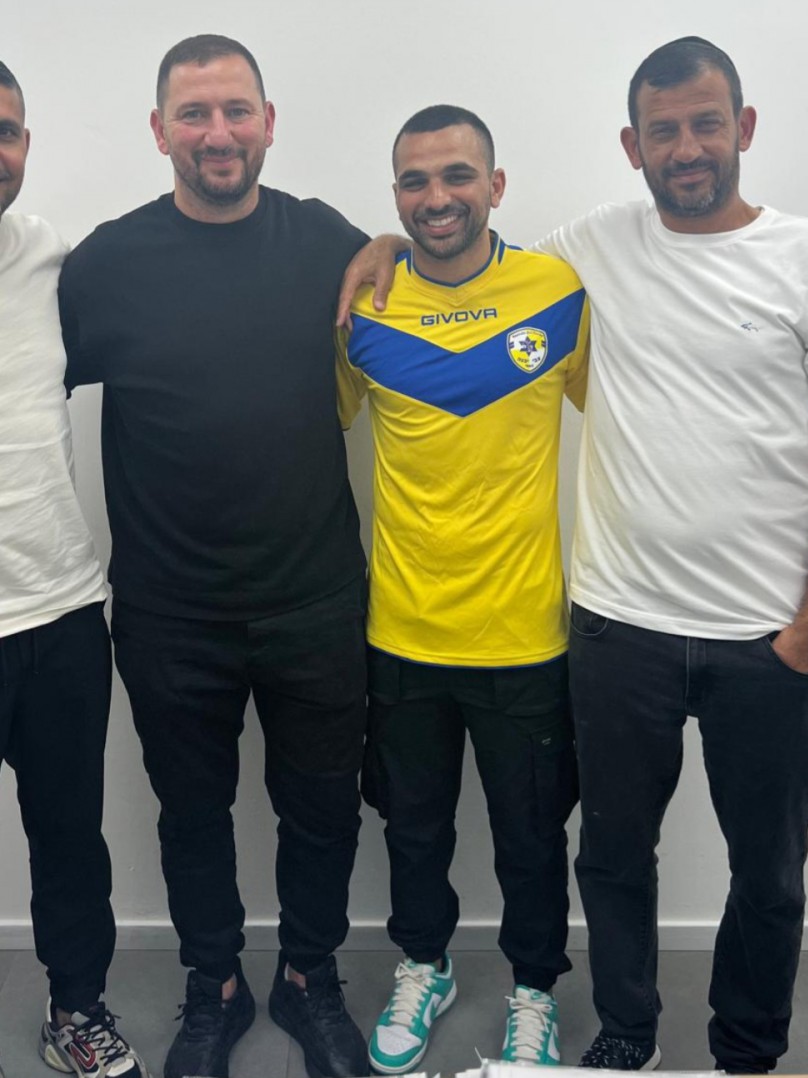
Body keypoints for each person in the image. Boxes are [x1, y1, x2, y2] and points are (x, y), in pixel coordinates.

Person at [337, 36, 808, 1076]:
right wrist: (381, 243)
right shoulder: (558, 261)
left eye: (706, 123)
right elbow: (444, 250)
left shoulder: (795, 259)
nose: (687, 147)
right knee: (586, 852)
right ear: (632, 146)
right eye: (663, 130)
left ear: (743, 128)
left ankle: (717, 1043)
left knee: (760, 869)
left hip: (728, 634)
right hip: (589, 626)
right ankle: (603, 1026)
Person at [60, 35, 371, 1078]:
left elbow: (414, 277)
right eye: (193, 114)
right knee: (191, 816)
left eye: (237, 110)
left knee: (321, 812)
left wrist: (393, 246)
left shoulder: (328, 241)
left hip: (315, 599)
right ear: (160, 132)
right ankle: (216, 985)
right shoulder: (105, 265)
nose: (218, 133)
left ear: (269, 122)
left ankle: (309, 977)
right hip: (169, 611)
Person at [336, 105, 589, 1074]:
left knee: (532, 837)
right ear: (396, 196)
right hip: (401, 630)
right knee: (413, 829)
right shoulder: (365, 304)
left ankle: (534, 991)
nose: (436, 197)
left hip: (526, 634)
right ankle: (424, 964)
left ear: (496, 184)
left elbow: (635, 415)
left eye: (457, 176)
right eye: (415, 181)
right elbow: (306, 425)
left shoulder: (557, 293)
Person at [0, 60, 148, 1078]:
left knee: (69, 840)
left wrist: (382, 247)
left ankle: (77, 1011)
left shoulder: (56, 263)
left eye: (5, 130)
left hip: (57, 612)